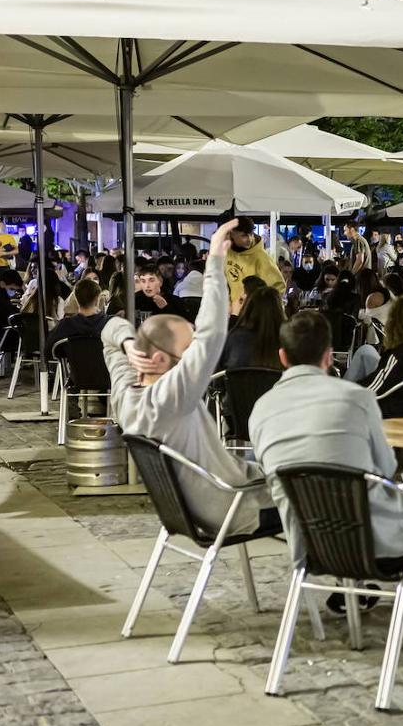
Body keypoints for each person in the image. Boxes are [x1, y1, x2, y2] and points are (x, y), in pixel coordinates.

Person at [248, 312, 403, 652]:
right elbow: (385, 468)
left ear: (282, 356)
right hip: (374, 546)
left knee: (346, 492)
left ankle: (350, 591)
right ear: (327, 355)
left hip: (308, 544)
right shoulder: (355, 399)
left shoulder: (261, 408)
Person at [103, 220, 276, 538]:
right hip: (234, 507)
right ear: (159, 359)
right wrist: (214, 263)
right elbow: (211, 333)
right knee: (330, 488)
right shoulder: (172, 395)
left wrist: (128, 343)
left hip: (195, 507)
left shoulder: (126, 393)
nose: (193, 358)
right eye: (187, 350)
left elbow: (108, 331)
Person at [222, 217, 286, 307]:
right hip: (233, 312)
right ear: (232, 234)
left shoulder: (261, 257)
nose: (250, 239)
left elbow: (278, 287)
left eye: (251, 234)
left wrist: (259, 309)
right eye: (244, 235)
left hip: (253, 315)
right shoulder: (226, 253)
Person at [219, 286, 285, 370]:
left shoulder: (234, 338)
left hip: (237, 382)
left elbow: (217, 373)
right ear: (279, 310)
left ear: (249, 308)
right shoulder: (288, 340)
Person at [47, 279, 107, 356]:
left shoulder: (65, 326)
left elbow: (48, 351)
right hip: (106, 367)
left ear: (76, 298)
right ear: (97, 299)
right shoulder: (110, 324)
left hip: (74, 367)